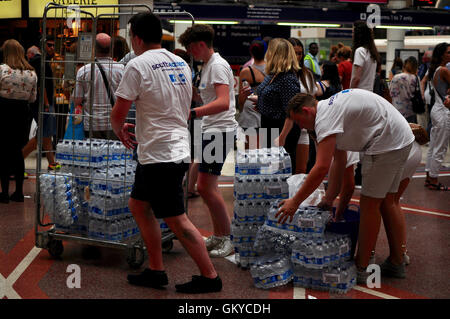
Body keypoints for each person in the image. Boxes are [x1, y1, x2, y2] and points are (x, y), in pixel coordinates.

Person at [111, 12, 221, 293]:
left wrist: (120, 129)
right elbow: (177, 105)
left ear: (136, 37)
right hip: (171, 147)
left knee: (176, 219)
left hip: (160, 154)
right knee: (139, 205)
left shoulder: (137, 65)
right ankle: (156, 270)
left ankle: (210, 277)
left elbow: (118, 112)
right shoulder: (181, 62)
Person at [277, 89, 415, 282]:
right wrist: (328, 199)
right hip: (398, 137)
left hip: (386, 142)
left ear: (307, 111)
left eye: (299, 120)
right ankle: (397, 261)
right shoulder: (330, 110)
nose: (300, 126)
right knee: (388, 201)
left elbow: (321, 167)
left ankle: (362, 267)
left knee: (369, 205)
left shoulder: (324, 117)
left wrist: (295, 201)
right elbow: (339, 162)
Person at [179, 24, 238, 258]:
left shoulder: (218, 66)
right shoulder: (208, 67)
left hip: (219, 131)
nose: (191, 52)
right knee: (207, 186)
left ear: (201, 44)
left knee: (205, 186)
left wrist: (194, 113)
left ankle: (227, 238)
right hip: (211, 130)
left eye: (191, 48)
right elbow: (209, 97)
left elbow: (223, 102)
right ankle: (220, 234)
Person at [255, 38, 301, 172]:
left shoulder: (287, 79)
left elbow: (291, 112)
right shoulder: (273, 75)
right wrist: (261, 103)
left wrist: (282, 137)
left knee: (279, 170)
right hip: (269, 125)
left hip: (281, 129)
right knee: (269, 168)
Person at [0, 39, 37, 203]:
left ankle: (4, 192)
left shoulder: (2, 70)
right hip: (23, 113)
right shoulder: (31, 72)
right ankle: (19, 193)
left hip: (4, 111)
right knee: (17, 152)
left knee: (3, 152)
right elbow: (33, 97)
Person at [74, 33, 124, 139]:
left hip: (92, 123)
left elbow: (77, 101)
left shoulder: (84, 71)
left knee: (93, 154)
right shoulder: (122, 69)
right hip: (115, 124)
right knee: (114, 154)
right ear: (112, 48)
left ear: (94, 48)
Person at [22, 37, 60, 171]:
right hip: (42, 103)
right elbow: (40, 84)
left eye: (53, 45)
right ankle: (17, 162)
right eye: (49, 45)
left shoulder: (41, 61)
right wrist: (46, 103)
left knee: (46, 133)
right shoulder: (39, 61)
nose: (52, 48)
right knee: (42, 134)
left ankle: (52, 162)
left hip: (43, 102)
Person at [288, 37, 316, 174]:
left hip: (304, 128)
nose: (297, 57)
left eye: (299, 53)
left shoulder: (307, 75)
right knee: (283, 169)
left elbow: (313, 100)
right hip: (285, 128)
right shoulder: (280, 75)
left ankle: (297, 195)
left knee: (301, 170)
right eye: (294, 53)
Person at [424, 42, 450, 191]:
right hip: (443, 112)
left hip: (436, 109)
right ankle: (434, 180)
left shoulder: (435, 70)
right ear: (441, 55)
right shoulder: (444, 70)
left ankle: (429, 176)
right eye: (448, 52)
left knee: (433, 146)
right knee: (440, 148)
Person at [238, 39, 266, 149]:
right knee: (264, 152)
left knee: (250, 153)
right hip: (266, 113)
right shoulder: (272, 69)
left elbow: (241, 98)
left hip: (249, 115)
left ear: (251, 52)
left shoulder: (246, 71)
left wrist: (240, 110)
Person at [389, 56, 422, 123]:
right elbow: (419, 92)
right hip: (411, 110)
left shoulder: (396, 77)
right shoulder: (416, 78)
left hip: (397, 109)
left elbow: (391, 92)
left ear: (404, 66)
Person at [350, 20, 380, 91]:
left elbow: (356, 78)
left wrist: (350, 91)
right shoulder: (372, 52)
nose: (352, 35)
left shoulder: (360, 51)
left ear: (359, 35)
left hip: (359, 93)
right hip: (369, 92)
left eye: (353, 32)